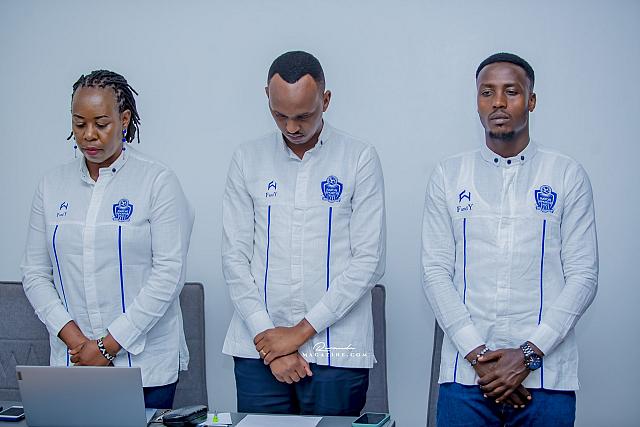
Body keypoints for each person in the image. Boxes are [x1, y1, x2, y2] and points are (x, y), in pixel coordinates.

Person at [421, 53, 598, 426]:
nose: (498, 102)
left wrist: (528, 356)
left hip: (546, 378)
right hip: (465, 378)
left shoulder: (566, 175)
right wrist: (478, 357)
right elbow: (435, 273)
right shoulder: (449, 176)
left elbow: (583, 276)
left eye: (511, 92)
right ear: (477, 101)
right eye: (487, 92)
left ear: (531, 100)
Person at [221, 51, 386, 416]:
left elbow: (369, 261)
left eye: (304, 116)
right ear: (267, 96)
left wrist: (299, 333)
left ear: (325, 100)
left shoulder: (359, 158)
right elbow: (234, 258)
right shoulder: (247, 159)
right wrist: (271, 342)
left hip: (337, 351)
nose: (292, 127)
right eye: (280, 115)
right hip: (258, 351)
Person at [21, 70, 194, 409]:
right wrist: (76, 340)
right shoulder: (51, 185)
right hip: (74, 362)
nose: (89, 135)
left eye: (101, 124)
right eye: (79, 124)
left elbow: (168, 275)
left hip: (145, 366)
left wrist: (108, 346)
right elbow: (35, 273)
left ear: (124, 120)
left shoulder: (157, 182)